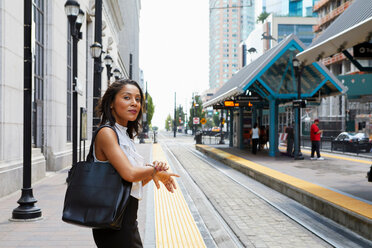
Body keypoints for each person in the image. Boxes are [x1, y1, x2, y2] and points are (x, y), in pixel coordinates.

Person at [92, 79, 179, 248]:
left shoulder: (125, 136)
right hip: (113, 224)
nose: (134, 103)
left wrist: (154, 174)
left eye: (138, 99)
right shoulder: (107, 133)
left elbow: (131, 184)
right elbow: (130, 173)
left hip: (126, 221)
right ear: (111, 103)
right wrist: (153, 170)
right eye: (127, 97)